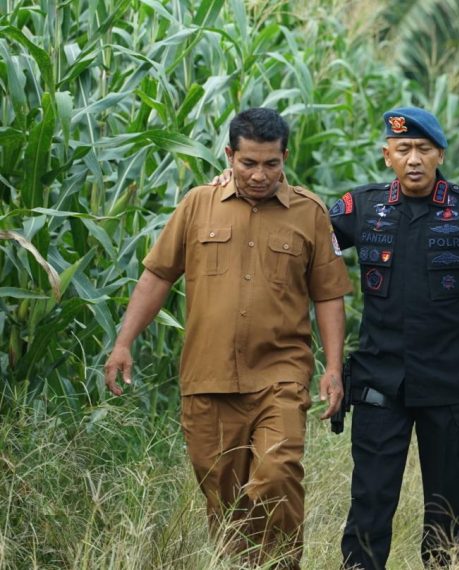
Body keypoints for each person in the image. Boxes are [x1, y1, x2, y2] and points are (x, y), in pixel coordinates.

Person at [103, 108, 351, 568]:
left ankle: (279, 564)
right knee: (224, 499)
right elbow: (157, 276)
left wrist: (333, 368)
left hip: (279, 375)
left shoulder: (310, 213)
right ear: (229, 155)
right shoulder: (198, 204)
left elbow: (329, 296)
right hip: (207, 377)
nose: (260, 175)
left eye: (271, 164)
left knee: (276, 473)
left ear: (285, 158)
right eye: (249, 163)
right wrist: (123, 342)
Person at [331, 107, 459, 569]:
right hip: (379, 380)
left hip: (452, 382)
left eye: (423, 149)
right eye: (403, 149)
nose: (414, 159)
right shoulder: (361, 207)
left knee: (448, 507)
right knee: (371, 499)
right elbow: (302, 234)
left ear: (440, 154)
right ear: (386, 155)